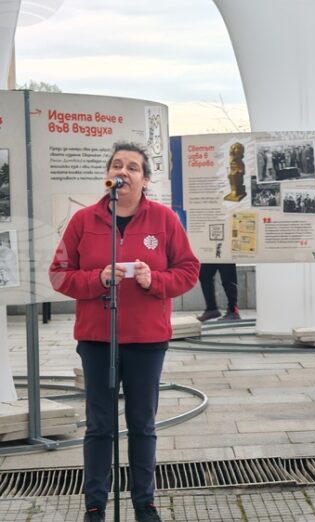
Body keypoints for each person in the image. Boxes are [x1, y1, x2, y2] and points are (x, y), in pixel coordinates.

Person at [49, 142, 200, 522]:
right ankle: (95, 505)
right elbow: (59, 274)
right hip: (97, 339)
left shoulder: (164, 220)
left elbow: (188, 270)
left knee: (142, 424)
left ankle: (144, 503)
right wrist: (97, 279)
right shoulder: (83, 221)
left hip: (147, 340)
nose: (123, 171)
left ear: (145, 179)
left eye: (133, 167)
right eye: (117, 165)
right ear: (108, 175)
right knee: (99, 424)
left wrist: (155, 280)